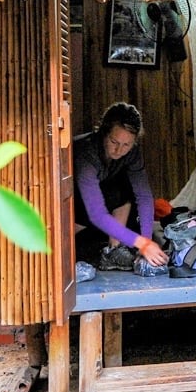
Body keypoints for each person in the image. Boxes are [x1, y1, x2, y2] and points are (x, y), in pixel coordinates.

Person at [72, 102, 169, 270]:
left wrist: (146, 241)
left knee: (125, 186)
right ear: (103, 133)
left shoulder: (131, 153)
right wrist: (142, 244)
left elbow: (144, 196)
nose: (119, 150)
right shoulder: (86, 154)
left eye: (127, 145)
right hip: (73, 209)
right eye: (114, 141)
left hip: (103, 208)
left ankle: (113, 249)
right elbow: (96, 213)